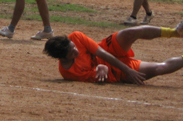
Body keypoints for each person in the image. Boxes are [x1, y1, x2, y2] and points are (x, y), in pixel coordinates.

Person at [43, 22, 183, 84]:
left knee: (129, 33)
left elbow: (102, 53)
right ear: (62, 58)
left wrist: (128, 70)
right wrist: (101, 70)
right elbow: (98, 76)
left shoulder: (76, 36)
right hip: (115, 72)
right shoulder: (69, 73)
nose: (76, 51)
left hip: (107, 50)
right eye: (72, 53)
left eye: (74, 47)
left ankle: (175, 32)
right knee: (159, 68)